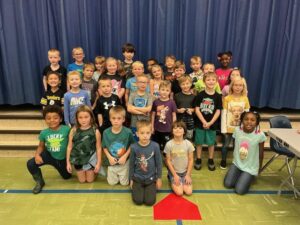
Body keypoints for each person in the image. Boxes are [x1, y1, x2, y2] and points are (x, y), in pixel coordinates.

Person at [27, 105, 71, 194]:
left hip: (62, 159)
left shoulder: (67, 130)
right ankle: (39, 182)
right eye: (48, 118)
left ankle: (61, 167)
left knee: (66, 176)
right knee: (30, 163)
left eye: (55, 118)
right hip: (49, 155)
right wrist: (37, 155)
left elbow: (72, 145)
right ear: (45, 120)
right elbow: (41, 146)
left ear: (60, 119)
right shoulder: (44, 133)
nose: (52, 120)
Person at [224, 111, 266, 195]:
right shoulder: (237, 130)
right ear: (242, 120)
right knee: (228, 184)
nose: (249, 122)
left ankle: (249, 176)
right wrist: (235, 159)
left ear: (256, 122)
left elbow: (261, 153)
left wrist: (259, 168)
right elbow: (235, 145)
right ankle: (240, 173)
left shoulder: (260, 135)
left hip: (250, 167)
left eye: (252, 120)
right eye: (246, 119)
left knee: (239, 190)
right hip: (237, 163)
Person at [129, 120, 162, 206]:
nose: (145, 136)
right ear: (137, 134)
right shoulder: (133, 147)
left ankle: (149, 187)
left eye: (148, 133)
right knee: (138, 201)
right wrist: (131, 179)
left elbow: (159, 163)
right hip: (137, 178)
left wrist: (159, 178)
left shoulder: (155, 146)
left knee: (149, 202)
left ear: (151, 133)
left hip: (151, 178)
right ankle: (139, 187)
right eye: (142, 133)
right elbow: (131, 164)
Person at [194, 72, 222, 171]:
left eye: (213, 80)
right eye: (208, 80)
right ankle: (198, 158)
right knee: (199, 142)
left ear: (216, 81)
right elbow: (197, 109)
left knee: (211, 143)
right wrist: (203, 121)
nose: (211, 81)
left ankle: (210, 159)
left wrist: (210, 122)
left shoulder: (218, 96)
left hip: (212, 124)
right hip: (200, 123)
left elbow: (218, 111)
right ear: (204, 81)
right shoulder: (200, 95)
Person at [66, 105, 101, 183]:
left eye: (86, 117)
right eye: (80, 117)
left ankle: (94, 170)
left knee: (89, 180)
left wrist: (98, 163)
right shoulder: (73, 130)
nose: (83, 120)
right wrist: (68, 163)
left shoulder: (95, 131)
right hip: (77, 159)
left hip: (90, 159)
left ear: (91, 117)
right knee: (82, 181)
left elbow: (98, 148)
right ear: (77, 118)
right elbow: (69, 147)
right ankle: (82, 170)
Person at [220, 77, 250, 169]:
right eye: (236, 85)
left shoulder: (245, 99)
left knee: (237, 146)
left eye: (240, 85)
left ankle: (235, 162)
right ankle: (223, 160)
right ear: (232, 86)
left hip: (240, 128)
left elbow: (247, 114)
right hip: (228, 128)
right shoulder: (227, 98)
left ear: (243, 87)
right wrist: (224, 128)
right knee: (225, 145)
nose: (238, 87)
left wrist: (245, 128)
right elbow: (224, 114)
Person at [102, 106, 135, 185]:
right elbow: (104, 147)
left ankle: (126, 171)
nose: (116, 121)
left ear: (123, 119)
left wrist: (125, 156)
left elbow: (132, 145)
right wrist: (110, 158)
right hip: (112, 161)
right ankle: (112, 172)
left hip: (124, 161)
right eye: (113, 118)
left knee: (124, 183)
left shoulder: (128, 132)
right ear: (110, 119)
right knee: (112, 183)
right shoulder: (106, 132)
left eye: (119, 118)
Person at [164, 121, 194, 196]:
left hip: (185, 172)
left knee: (189, 192)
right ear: (172, 131)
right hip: (174, 172)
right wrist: (175, 175)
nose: (177, 130)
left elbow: (191, 160)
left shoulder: (188, 144)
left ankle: (183, 180)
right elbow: (168, 160)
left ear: (184, 131)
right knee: (180, 193)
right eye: (175, 128)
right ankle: (170, 177)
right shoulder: (169, 144)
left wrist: (188, 175)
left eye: (180, 128)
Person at [151, 80, 177, 151]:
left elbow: (174, 116)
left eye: (167, 90)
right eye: (162, 90)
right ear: (159, 90)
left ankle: (167, 159)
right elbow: (153, 115)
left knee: (167, 147)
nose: (164, 92)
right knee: (156, 147)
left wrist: (174, 127)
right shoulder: (155, 102)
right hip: (157, 129)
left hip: (168, 129)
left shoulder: (172, 102)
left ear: (170, 92)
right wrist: (152, 127)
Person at [127, 75, 153, 140]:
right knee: (135, 141)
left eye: (145, 82)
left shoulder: (149, 95)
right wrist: (141, 112)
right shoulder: (132, 94)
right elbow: (129, 109)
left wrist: (134, 107)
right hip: (134, 123)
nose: (143, 84)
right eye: (141, 82)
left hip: (145, 123)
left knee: (145, 140)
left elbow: (148, 109)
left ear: (147, 84)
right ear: (136, 83)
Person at [174, 76, 195, 141]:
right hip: (180, 121)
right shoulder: (177, 96)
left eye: (187, 83)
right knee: (179, 137)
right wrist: (178, 110)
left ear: (191, 84)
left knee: (189, 138)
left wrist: (191, 110)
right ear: (180, 85)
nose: (185, 86)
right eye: (183, 84)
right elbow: (174, 109)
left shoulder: (194, 96)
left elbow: (195, 109)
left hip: (190, 121)